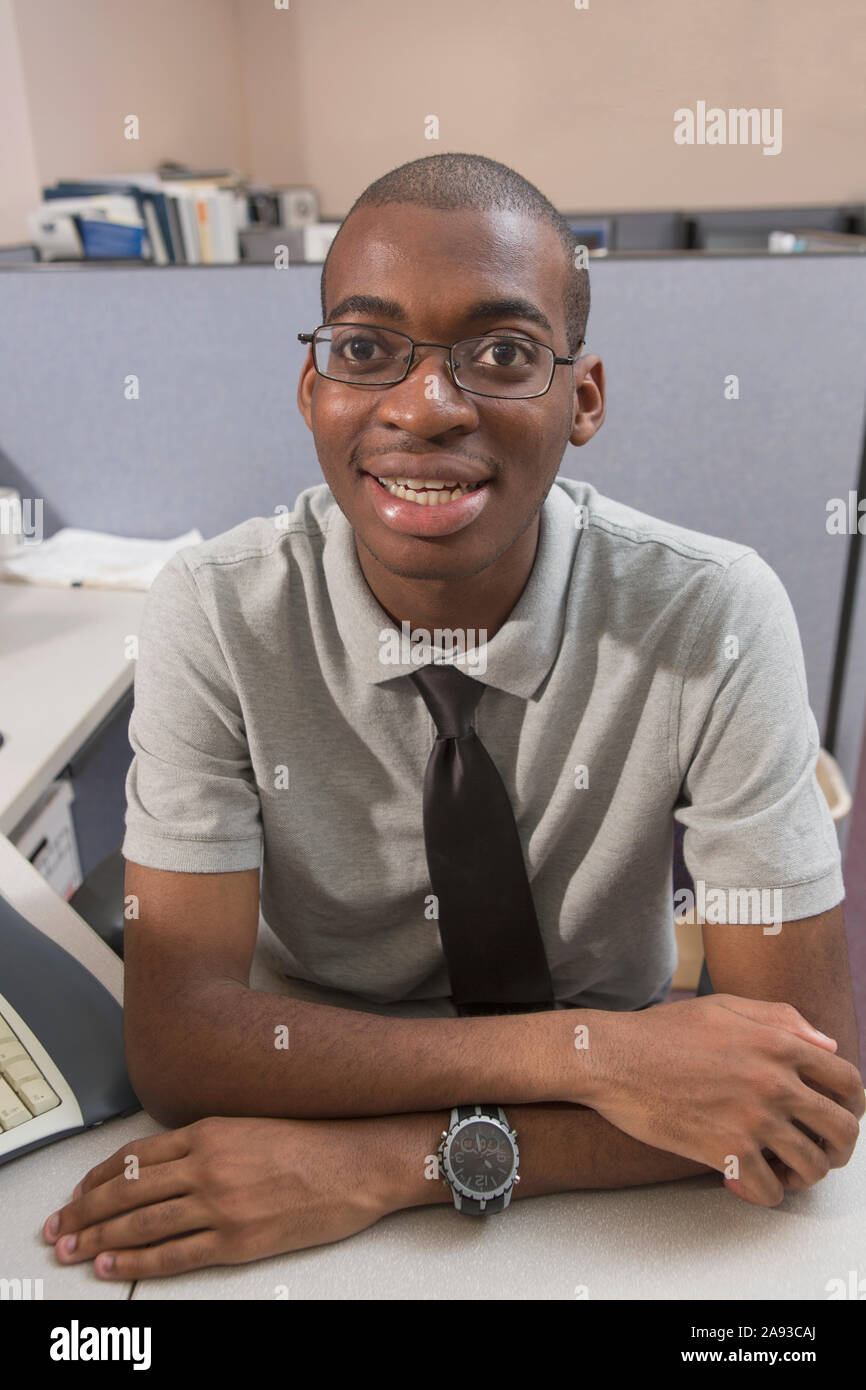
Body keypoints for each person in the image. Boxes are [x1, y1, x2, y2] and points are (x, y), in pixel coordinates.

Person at [43, 153, 863, 1281]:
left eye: (502, 353)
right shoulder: (220, 609)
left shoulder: (710, 612)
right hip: (398, 1127)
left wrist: (393, 1164)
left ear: (583, 399)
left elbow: (804, 1102)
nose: (424, 406)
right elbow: (184, 1045)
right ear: (312, 391)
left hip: (421, 1159)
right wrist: (600, 1051)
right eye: (365, 349)